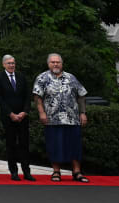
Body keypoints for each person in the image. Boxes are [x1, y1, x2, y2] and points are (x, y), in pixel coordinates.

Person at [33, 53, 90, 183]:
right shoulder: (42, 78)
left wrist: (83, 112)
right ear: (48, 64)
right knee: (55, 145)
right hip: (52, 119)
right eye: (53, 62)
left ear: (62, 64)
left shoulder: (71, 77)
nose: (55, 64)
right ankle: (56, 172)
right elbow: (37, 97)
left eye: (58, 62)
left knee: (75, 146)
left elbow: (81, 95)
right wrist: (41, 113)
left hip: (72, 119)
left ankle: (76, 172)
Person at [0, 54, 35, 181]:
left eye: (13, 63)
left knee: (24, 144)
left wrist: (24, 112)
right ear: (4, 64)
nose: (11, 65)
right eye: (9, 63)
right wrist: (10, 113)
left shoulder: (21, 76)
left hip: (22, 117)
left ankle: (27, 171)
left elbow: (28, 96)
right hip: (8, 117)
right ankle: (14, 171)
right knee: (11, 144)